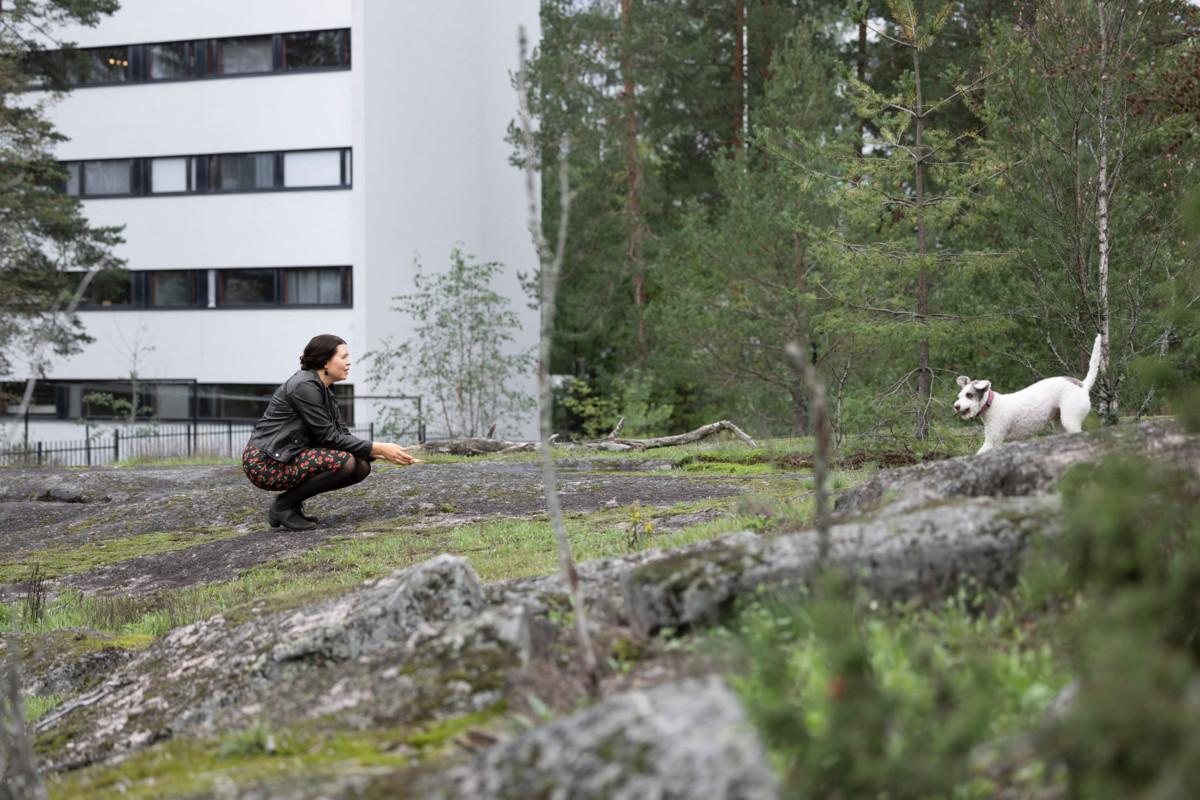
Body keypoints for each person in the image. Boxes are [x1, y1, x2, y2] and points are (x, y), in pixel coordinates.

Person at [242, 334, 419, 530]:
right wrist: (377, 448)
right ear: (326, 361)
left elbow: (341, 434)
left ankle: (288, 505)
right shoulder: (304, 386)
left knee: (361, 465)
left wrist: (376, 452)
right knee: (346, 462)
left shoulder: (323, 388)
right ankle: (283, 506)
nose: (348, 362)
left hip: (287, 456)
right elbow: (328, 437)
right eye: (343, 357)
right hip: (266, 462)